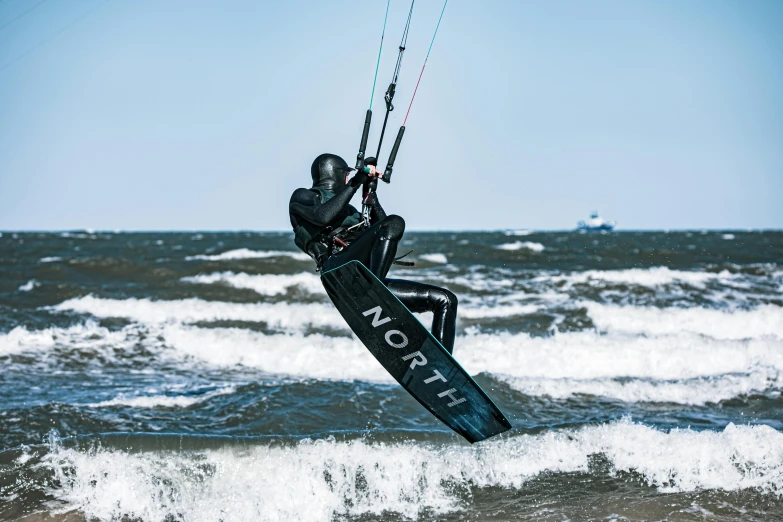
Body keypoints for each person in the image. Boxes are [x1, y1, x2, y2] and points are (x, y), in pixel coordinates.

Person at [289, 153, 459, 354]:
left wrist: (370, 194)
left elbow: (387, 229)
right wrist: (355, 182)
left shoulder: (350, 211)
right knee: (395, 222)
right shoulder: (304, 196)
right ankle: (375, 290)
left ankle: (441, 361)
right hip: (339, 270)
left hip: (362, 281)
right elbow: (323, 216)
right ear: (335, 174)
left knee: (446, 300)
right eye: (346, 175)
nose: (347, 179)